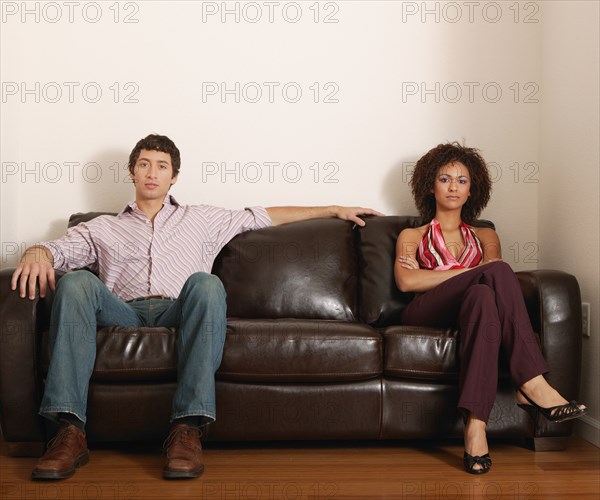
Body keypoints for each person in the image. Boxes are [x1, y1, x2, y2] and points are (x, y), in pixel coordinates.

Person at [11, 133, 383, 481]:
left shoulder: (204, 219)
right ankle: (69, 431)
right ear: (132, 172)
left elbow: (266, 214)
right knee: (75, 281)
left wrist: (334, 208)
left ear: (174, 177)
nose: (152, 172)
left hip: (179, 310)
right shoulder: (101, 227)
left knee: (206, 283)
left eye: (161, 165)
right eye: (144, 164)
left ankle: (187, 428)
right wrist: (37, 250)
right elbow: (56, 251)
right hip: (122, 315)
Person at [394, 142, 586, 475]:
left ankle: (476, 426)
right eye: (444, 178)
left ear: (472, 190)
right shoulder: (413, 234)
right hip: (425, 312)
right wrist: (469, 272)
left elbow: (489, 279)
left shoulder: (485, 235)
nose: (453, 186)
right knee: (493, 273)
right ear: (429, 185)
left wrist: (436, 275)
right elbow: (407, 284)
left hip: (472, 312)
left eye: (462, 180)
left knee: (483, 297)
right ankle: (533, 383)